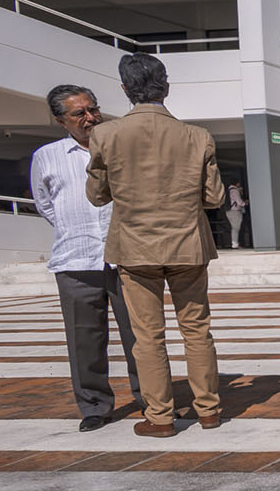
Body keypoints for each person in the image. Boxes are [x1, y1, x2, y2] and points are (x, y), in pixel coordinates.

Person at [85, 53, 225, 438]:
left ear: (125, 89)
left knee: (147, 336)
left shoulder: (106, 135)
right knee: (196, 329)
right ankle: (209, 410)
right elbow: (213, 197)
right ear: (166, 87)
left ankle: (161, 417)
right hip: (188, 246)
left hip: (135, 247)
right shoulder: (197, 136)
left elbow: (97, 196)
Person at [29, 83, 141, 432]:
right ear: (60, 120)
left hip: (126, 257)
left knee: (140, 336)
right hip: (75, 261)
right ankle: (94, 406)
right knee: (84, 341)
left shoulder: (121, 146)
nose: (90, 117)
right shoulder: (46, 156)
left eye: (93, 108)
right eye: (80, 113)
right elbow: (45, 204)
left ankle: (152, 399)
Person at [225, 183, 247, 248]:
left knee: (234, 227)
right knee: (236, 228)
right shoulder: (234, 191)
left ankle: (235, 243)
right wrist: (245, 203)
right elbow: (239, 202)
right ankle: (235, 244)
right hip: (235, 211)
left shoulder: (228, 190)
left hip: (228, 211)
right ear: (236, 183)